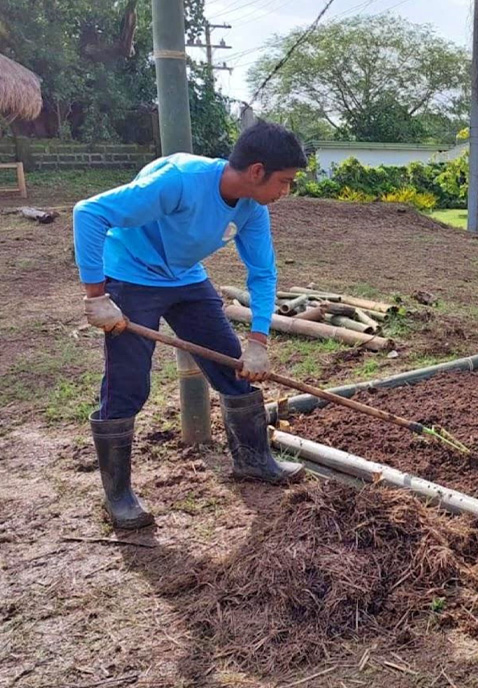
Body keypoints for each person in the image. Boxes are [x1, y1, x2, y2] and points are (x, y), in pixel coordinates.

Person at [73, 121, 309, 529]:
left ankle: (253, 460)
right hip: (131, 276)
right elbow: (89, 213)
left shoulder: (252, 208)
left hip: (185, 278)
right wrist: (98, 296)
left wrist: (257, 340)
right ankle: (118, 495)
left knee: (234, 368)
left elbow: (263, 273)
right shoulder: (179, 181)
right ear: (257, 171)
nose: (285, 191)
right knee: (128, 386)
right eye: (284, 182)